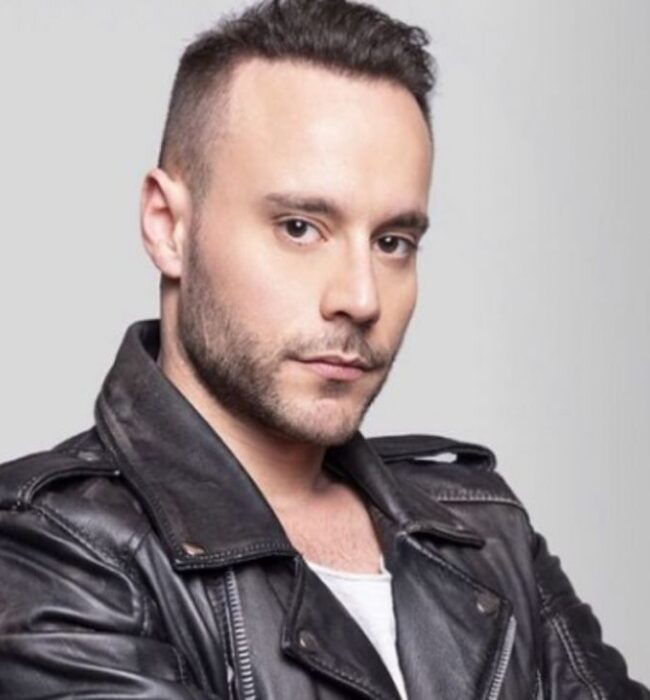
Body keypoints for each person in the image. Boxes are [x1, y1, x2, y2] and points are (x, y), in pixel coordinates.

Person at [0, 0, 647, 698]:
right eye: (300, 228)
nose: (361, 298)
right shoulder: (52, 545)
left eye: (392, 242)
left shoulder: (484, 528)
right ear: (167, 227)